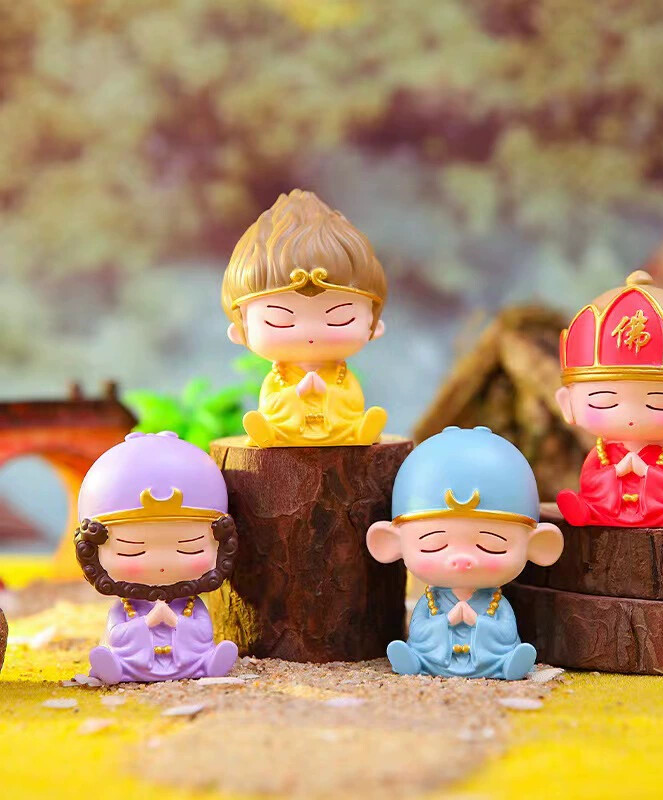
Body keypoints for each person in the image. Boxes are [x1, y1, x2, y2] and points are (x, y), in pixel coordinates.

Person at [367, 426, 563, 680]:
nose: (461, 559)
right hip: (435, 655)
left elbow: (505, 632)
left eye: (491, 545)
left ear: (537, 545)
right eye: (434, 544)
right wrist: (447, 620)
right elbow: (420, 631)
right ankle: (415, 660)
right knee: (418, 647)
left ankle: (507, 664)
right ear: (392, 543)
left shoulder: (496, 603)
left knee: (506, 650)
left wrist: (475, 620)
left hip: (489, 657)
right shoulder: (431, 602)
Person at [221, 189, 388, 447]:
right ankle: (269, 434)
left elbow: (352, 401)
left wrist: (327, 393)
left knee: (351, 418)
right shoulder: (278, 378)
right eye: (278, 319)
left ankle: (359, 432)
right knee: (275, 420)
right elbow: (271, 402)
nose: (309, 333)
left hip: (338, 425)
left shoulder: (343, 376)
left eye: (340, 318)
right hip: (288, 425)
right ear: (240, 330)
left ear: (373, 326)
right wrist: (296, 394)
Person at [556, 270, 663, 529]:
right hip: (605, 505)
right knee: (590, 498)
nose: (631, 416)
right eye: (604, 401)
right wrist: (618, 470)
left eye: (661, 403)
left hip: (659, 507)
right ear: (567, 404)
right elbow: (590, 480)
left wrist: (645, 471)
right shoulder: (602, 454)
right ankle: (585, 510)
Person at [75, 432, 239, 683]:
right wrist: (148, 621)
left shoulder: (191, 604)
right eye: (132, 550)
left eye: (190, 548)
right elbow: (116, 634)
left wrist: (174, 620)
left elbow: (203, 632)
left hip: (189, 657)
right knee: (116, 653)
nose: (162, 564)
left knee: (204, 651)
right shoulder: (125, 607)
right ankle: (115, 668)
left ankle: (208, 663)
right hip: (134, 660)